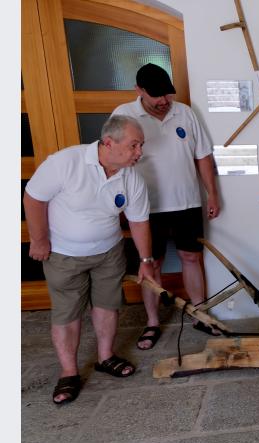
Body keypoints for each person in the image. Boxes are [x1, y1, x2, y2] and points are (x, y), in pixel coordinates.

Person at [23, 115, 154, 404]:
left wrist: (146, 260)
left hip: (109, 252)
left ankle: (105, 357)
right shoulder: (65, 163)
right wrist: (40, 239)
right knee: (67, 313)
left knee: (108, 305)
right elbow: (33, 198)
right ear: (109, 143)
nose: (139, 152)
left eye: (140, 145)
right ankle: (69, 372)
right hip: (64, 254)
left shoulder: (131, 176)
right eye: (134, 145)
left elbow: (139, 220)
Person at [112, 63, 221, 348]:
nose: (163, 102)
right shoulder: (123, 116)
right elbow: (113, 163)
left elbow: (203, 157)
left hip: (186, 201)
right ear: (139, 91)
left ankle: (200, 313)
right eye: (156, 96)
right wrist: (119, 203)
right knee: (151, 264)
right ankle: (152, 322)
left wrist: (212, 194)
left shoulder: (184, 112)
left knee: (191, 257)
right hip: (144, 207)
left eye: (167, 95)